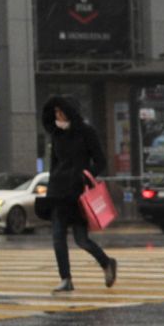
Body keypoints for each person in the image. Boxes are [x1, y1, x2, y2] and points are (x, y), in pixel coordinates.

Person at [40, 95, 116, 294]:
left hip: (77, 195)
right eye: (55, 112)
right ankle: (66, 279)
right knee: (58, 238)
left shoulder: (86, 132)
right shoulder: (56, 135)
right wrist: (50, 190)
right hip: (58, 194)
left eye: (61, 111)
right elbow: (54, 165)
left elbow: (100, 161)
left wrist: (84, 176)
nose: (58, 115)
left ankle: (107, 262)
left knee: (81, 240)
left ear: (70, 111)